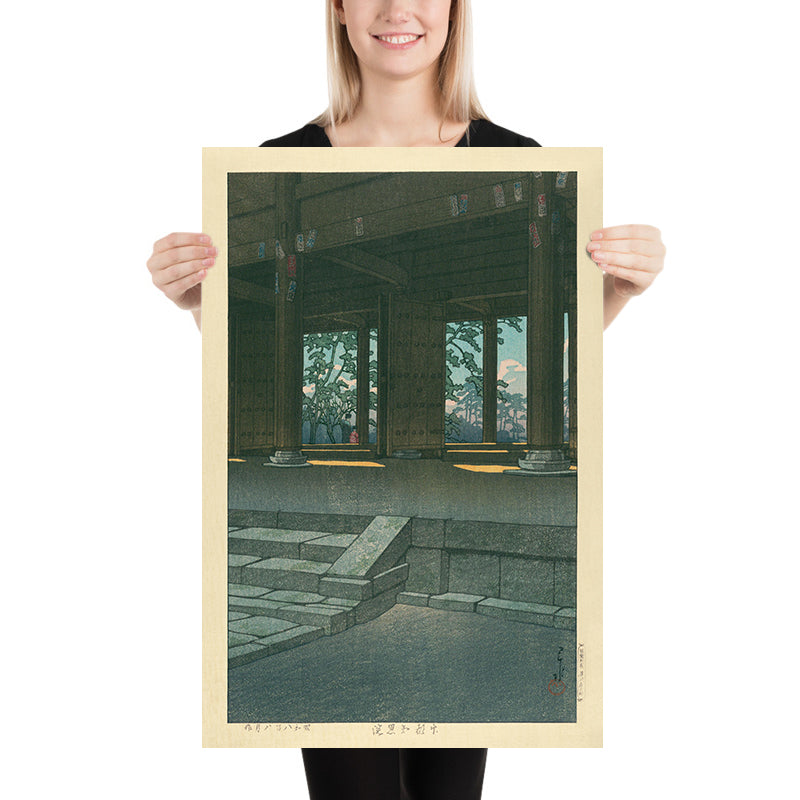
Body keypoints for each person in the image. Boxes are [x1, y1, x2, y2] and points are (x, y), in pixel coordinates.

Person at [146, 2, 665, 798]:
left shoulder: (520, 156)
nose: (397, 9)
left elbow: (562, 328)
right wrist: (195, 304)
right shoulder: (276, 161)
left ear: (455, 12)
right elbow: (235, 336)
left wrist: (621, 293)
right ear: (340, 11)